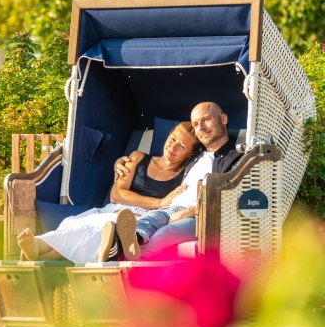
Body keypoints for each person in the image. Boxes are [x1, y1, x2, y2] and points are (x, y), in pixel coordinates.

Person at [17, 122, 200, 264]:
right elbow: (117, 194)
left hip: (140, 219)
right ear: (168, 135)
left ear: (190, 154)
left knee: (99, 231)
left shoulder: (185, 176)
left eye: (182, 146)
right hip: (115, 208)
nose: (173, 147)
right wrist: (159, 202)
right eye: (173, 139)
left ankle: (40, 245)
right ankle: (41, 250)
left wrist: (155, 206)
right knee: (76, 224)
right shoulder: (137, 157)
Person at [98, 101, 243, 261]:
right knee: (146, 222)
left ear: (223, 119)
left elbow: (234, 199)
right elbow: (163, 162)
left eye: (206, 119)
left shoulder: (236, 159)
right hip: (170, 209)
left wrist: (193, 211)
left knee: (162, 235)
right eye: (196, 124)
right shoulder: (194, 157)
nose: (201, 127)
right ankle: (120, 247)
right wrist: (120, 162)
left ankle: (119, 261)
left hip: (201, 218)